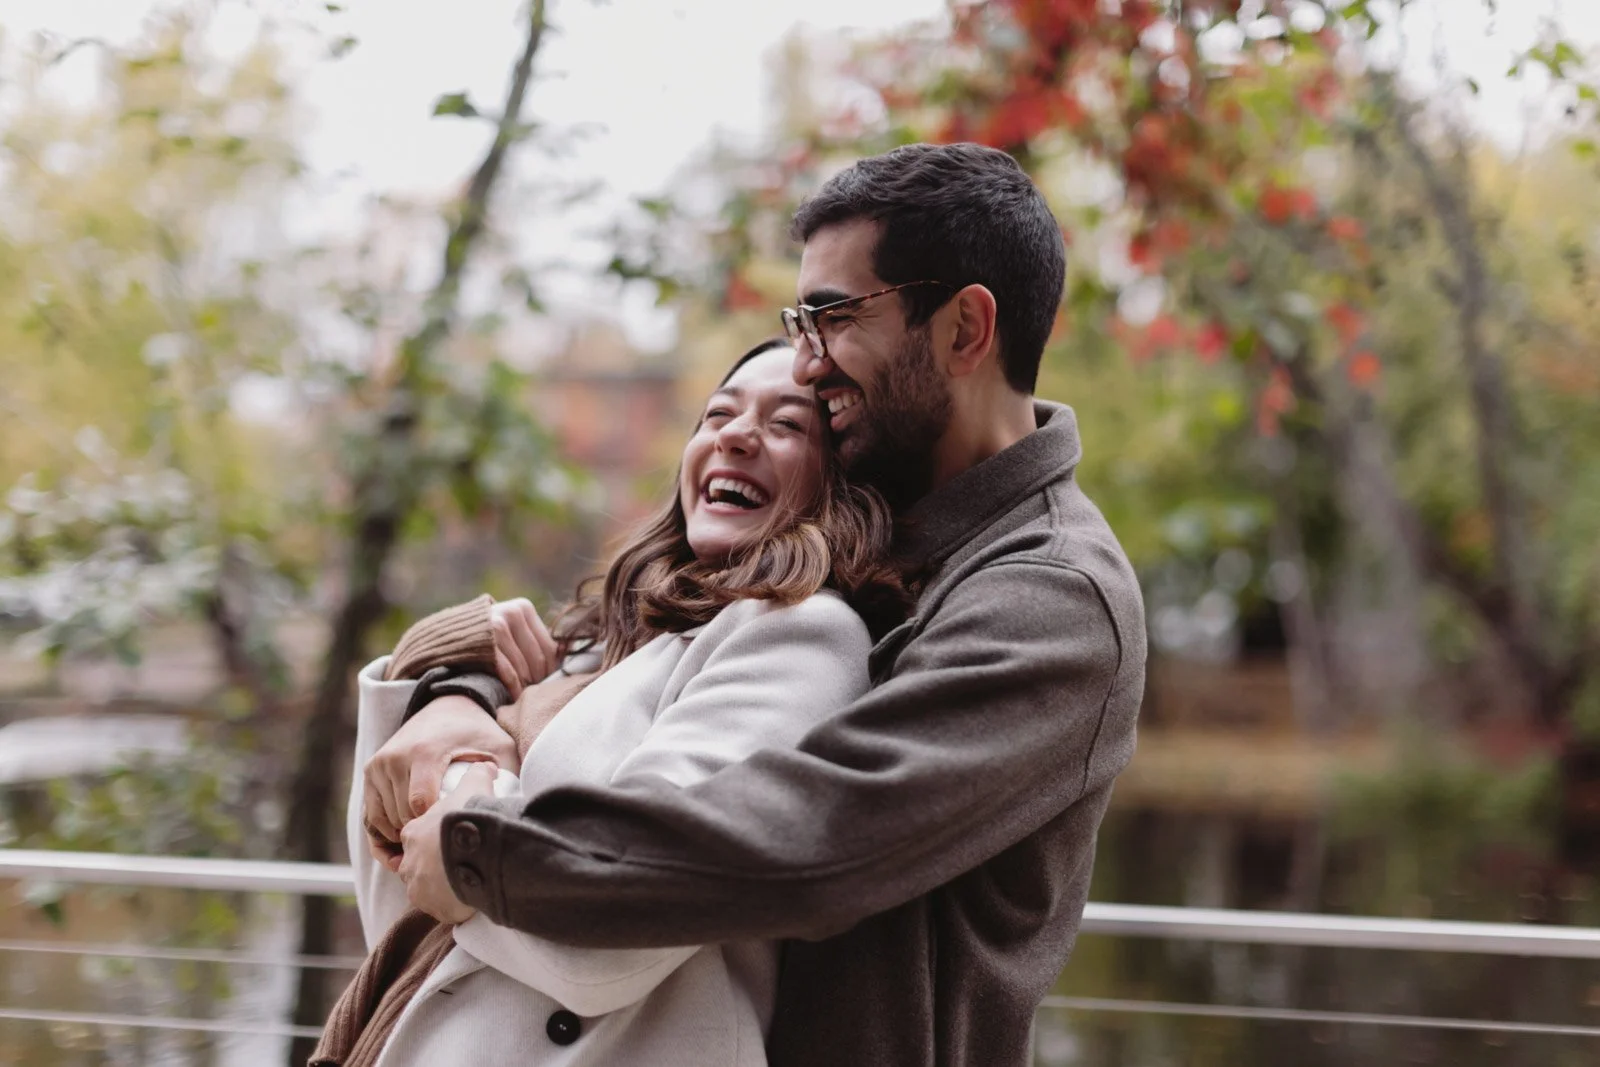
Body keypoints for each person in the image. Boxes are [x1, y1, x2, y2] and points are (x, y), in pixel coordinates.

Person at [374, 142, 1147, 1067]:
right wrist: (456, 696)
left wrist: (480, 848)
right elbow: (610, 638)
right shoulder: (865, 511)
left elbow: (811, 841)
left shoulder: (1049, 594)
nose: (808, 366)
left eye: (833, 318)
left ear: (964, 330)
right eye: (799, 321)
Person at [313, 339, 910, 1066]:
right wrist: (445, 685)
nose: (735, 434)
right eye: (718, 414)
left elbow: (615, 930)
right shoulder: (609, 643)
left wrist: (470, 784)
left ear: (840, 481)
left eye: (786, 424)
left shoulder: (803, 635)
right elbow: (402, 907)